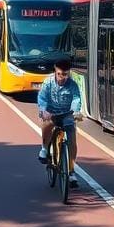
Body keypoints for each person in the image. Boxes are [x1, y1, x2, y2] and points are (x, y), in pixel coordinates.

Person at [37, 58, 82, 189]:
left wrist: (76, 112)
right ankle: (45, 149)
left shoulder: (73, 85)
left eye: (65, 74)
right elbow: (42, 98)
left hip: (66, 114)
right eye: (59, 74)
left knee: (72, 139)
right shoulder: (48, 83)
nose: (62, 77)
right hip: (51, 113)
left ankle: (71, 171)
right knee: (46, 124)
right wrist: (44, 110)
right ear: (55, 72)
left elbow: (76, 99)